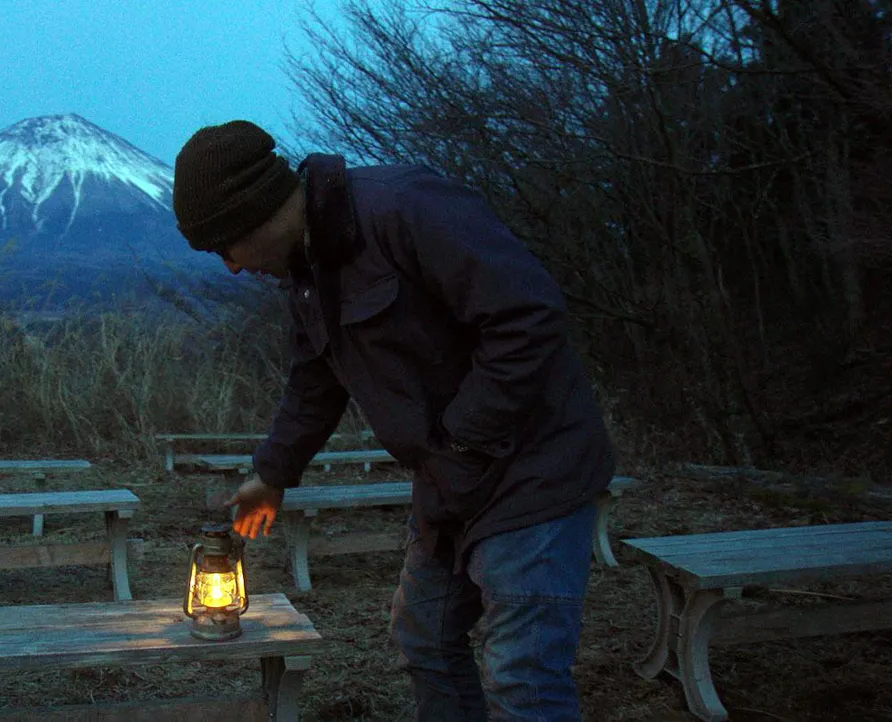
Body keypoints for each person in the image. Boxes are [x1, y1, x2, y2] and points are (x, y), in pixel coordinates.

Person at [171, 120, 614, 722]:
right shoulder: (306, 272)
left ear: (257, 214)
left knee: (523, 677)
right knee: (424, 639)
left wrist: (460, 438)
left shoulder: (405, 208)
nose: (229, 268)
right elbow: (315, 380)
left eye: (225, 248)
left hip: (533, 472)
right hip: (448, 485)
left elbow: (527, 318)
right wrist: (272, 473)